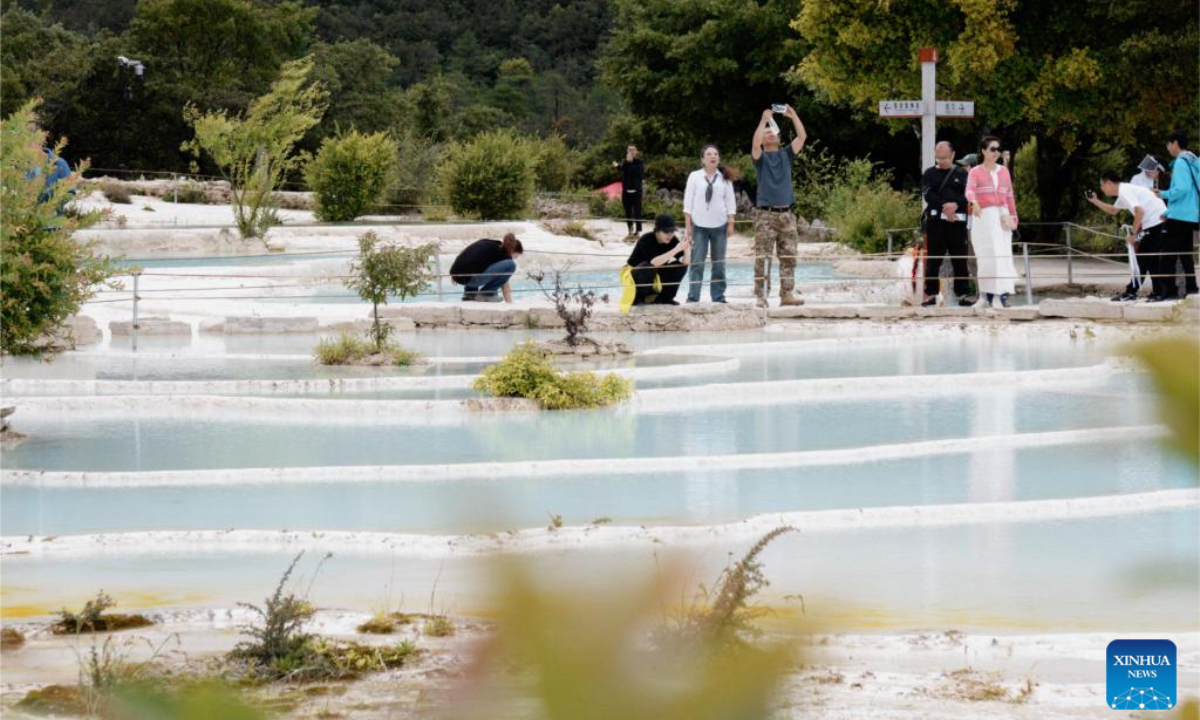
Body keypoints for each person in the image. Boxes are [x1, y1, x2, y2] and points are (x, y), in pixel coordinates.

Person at [751, 104, 807, 308]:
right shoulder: (761, 158)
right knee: (763, 257)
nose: (770, 135)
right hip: (765, 215)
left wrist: (794, 116)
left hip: (787, 213)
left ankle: (787, 294)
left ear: (779, 136)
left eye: (772, 132)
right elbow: (755, 145)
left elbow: (802, 137)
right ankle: (761, 296)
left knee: (789, 256)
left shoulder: (785, 154)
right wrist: (763, 121)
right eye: (766, 133)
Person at [1087, 172, 1168, 301]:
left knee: (1142, 259)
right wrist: (1095, 201)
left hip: (1156, 222)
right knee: (1150, 260)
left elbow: (1139, 212)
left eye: (1102, 185)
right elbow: (1114, 210)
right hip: (1156, 222)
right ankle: (1159, 292)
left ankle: (1131, 292)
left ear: (1109, 183)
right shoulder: (1124, 191)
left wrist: (1133, 235)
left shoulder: (1125, 191)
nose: (1102, 188)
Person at [964, 136, 1019, 309]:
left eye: (998, 149)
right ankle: (984, 296)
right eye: (992, 149)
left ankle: (998, 296)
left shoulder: (1004, 171)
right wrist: (974, 201)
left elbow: (1009, 196)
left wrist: (1014, 217)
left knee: (1002, 257)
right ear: (984, 151)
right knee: (985, 257)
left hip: (1001, 217)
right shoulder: (975, 171)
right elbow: (969, 190)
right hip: (984, 217)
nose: (996, 152)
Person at [920, 141, 973, 306]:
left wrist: (955, 205)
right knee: (934, 259)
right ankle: (931, 293)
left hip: (958, 224)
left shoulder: (962, 174)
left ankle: (963, 293)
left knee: (960, 260)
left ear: (952, 155)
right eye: (938, 157)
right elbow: (928, 194)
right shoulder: (929, 173)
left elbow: (968, 195)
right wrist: (946, 207)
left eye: (944, 157)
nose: (940, 161)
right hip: (936, 223)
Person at [683, 144, 737, 303]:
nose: (713, 156)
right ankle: (693, 297)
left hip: (720, 226)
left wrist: (731, 222)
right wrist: (688, 227)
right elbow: (688, 202)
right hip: (699, 226)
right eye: (709, 154)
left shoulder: (724, 178)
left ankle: (718, 296)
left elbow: (730, 202)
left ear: (718, 158)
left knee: (719, 264)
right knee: (697, 263)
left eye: (715, 154)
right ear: (703, 159)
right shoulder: (694, 176)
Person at [1155, 131, 1199, 300]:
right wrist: (1168, 212)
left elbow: (1182, 189)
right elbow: (1191, 193)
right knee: (1186, 255)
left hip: (1179, 217)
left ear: (1174, 143)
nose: (1167, 147)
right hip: (1190, 216)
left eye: (1168, 143)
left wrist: (1162, 194)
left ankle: (1167, 292)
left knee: (1166, 255)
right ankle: (1191, 289)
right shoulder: (1193, 160)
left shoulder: (1181, 162)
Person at [623, 214, 691, 307]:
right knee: (647, 267)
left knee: (679, 266)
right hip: (636, 273)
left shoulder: (672, 239)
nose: (670, 235)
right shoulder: (646, 239)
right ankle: (638, 299)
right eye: (666, 231)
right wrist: (676, 249)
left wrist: (686, 249)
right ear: (657, 230)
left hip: (655, 273)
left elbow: (685, 262)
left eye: (672, 231)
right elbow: (654, 262)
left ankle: (665, 298)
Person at [449, 233, 524, 303]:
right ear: (512, 251)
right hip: (469, 279)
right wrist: (509, 303)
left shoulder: (491, 244)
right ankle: (486, 294)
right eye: (516, 256)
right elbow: (504, 282)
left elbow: (469, 254)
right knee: (511, 265)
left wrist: (455, 272)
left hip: (456, 274)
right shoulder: (505, 255)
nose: (514, 258)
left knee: (479, 264)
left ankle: (470, 294)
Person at [613, 145, 645, 237]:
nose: (630, 152)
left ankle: (638, 231)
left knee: (637, 211)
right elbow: (622, 168)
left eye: (632, 150)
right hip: (626, 191)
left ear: (636, 152)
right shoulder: (625, 162)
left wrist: (630, 162)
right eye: (629, 150)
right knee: (627, 211)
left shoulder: (639, 162)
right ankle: (630, 230)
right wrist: (617, 166)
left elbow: (637, 172)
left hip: (636, 191)